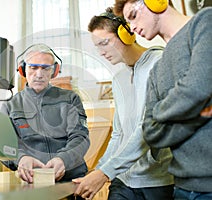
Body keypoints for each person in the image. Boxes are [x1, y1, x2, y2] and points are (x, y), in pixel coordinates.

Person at [114, 0, 212, 199]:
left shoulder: (204, 22)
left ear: (155, 2)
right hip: (182, 187)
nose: (131, 28)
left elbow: (196, 89)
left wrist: (160, 111)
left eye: (133, 15)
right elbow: (150, 132)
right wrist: (196, 118)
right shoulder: (157, 70)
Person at [73, 7, 174, 200]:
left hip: (157, 182)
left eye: (105, 43)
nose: (101, 52)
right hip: (122, 181)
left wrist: (104, 173)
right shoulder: (118, 78)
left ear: (126, 34)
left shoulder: (159, 63)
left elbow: (146, 129)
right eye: (98, 47)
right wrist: (99, 170)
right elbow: (118, 134)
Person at [1, 43, 90, 185]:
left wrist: (63, 160)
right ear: (22, 69)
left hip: (71, 180)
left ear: (54, 71)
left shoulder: (70, 99)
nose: (39, 74)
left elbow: (80, 137)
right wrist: (21, 158)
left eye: (45, 68)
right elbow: (4, 144)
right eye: (33, 67)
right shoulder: (10, 105)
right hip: (32, 183)